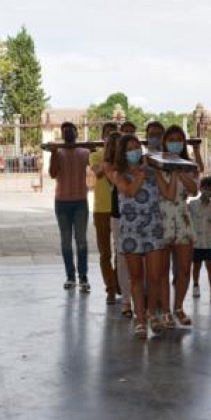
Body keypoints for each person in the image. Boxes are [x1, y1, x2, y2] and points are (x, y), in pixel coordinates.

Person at [113, 134, 175, 338]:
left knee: (155, 276)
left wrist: (171, 173)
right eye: (130, 149)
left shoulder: (152, 171)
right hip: (131, 230)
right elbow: (130, 191)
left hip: (153, 229)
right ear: (123, 153)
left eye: (137, 147)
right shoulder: (118, 173)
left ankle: (151, 314)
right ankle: (140, 320)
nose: (135, 152)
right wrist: (142, 171)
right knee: (136, 277)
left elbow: (168, 194)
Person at [159, 126, 198, 327]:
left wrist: (180, 171)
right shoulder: (157, 165)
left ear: (183, 143)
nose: (175, 142)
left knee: (184, 269)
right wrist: (169, 168)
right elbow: (165, 193)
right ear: (164, 142)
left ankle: (179, 307)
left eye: (178, 139)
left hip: (183, 221)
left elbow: (194, 190)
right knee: (163, 271)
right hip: (163, 220)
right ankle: (165, 311)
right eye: (171, 139)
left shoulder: (190, 165)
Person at [48, 122, 90, 292]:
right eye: (65, 131)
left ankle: (83, 276)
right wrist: (53, 155)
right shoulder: (58, 152)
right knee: (66, 242)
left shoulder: (85, 152)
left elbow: (94, 165)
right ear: (62, 134)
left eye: (71, 131)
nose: (68, 134)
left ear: (77, 133)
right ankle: (70, 276)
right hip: (62, 202)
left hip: (80, 202)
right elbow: (52, 174)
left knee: (81, 241)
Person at [104, 132, 132, 318]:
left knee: (139, 258)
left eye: (119, 144)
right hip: (118, 213)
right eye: (113, 144)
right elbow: (116, 181)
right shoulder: (110, 165)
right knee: (122, 257)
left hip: (137, 213)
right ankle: (126, 300)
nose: (117, 148)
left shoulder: (136, 162)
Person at [90, 122, 118, 303]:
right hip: (101, 209)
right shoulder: (95, 155)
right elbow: (99, 172)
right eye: (106, 134)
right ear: (102, 137)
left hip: (118, 209)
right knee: (105, 252)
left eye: (113, 135)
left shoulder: (121, 156)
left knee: (121, 251)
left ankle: (118, 283)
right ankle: (110, 288)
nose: (109, 138)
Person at [190, 176, 211, 302]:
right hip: (196, 243)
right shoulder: (192, 205)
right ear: (201, 188)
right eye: (206, 188)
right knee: (196, 266)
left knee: (210, 266)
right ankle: (195, 286)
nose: (209, 191)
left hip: (209, 243)